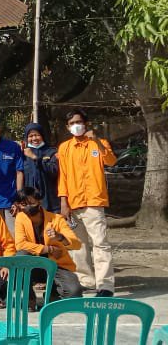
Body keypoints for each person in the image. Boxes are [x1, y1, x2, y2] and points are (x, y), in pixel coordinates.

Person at [57, 108, 117, 297]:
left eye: (79, 122)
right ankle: (86, 281)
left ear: (86, 123)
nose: (76, 126)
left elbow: (111, 161)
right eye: (72, 123)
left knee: (100, 243)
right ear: (67, 127)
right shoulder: (64, 148)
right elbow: (63, 176)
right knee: (78, 245)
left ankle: (105, 286)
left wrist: (97, 140)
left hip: (94, 201)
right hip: (73, 203)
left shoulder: (99, 143)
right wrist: (64, 202)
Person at [13, 187, 83, 302]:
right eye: (24, 204)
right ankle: (29, 299)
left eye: (31, 203)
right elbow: (20, 245)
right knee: (20, 255)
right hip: (33, 265)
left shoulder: (56, 219)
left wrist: (60, 237)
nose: (28, 207)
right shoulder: (20, 218)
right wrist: (49, 249)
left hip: (56, 265)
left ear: (39, 201)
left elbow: (76, 244)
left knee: (74, 292)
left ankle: (53, 294)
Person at [19, 122, 60, 213]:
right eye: (30, 136)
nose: (34, 138)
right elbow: (19, 176)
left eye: (37, 135)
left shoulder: (52, 152)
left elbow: (53, 172)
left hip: (51, 202)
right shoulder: (22, 154)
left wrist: (35, 158)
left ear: (42, 136)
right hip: (31, 203)